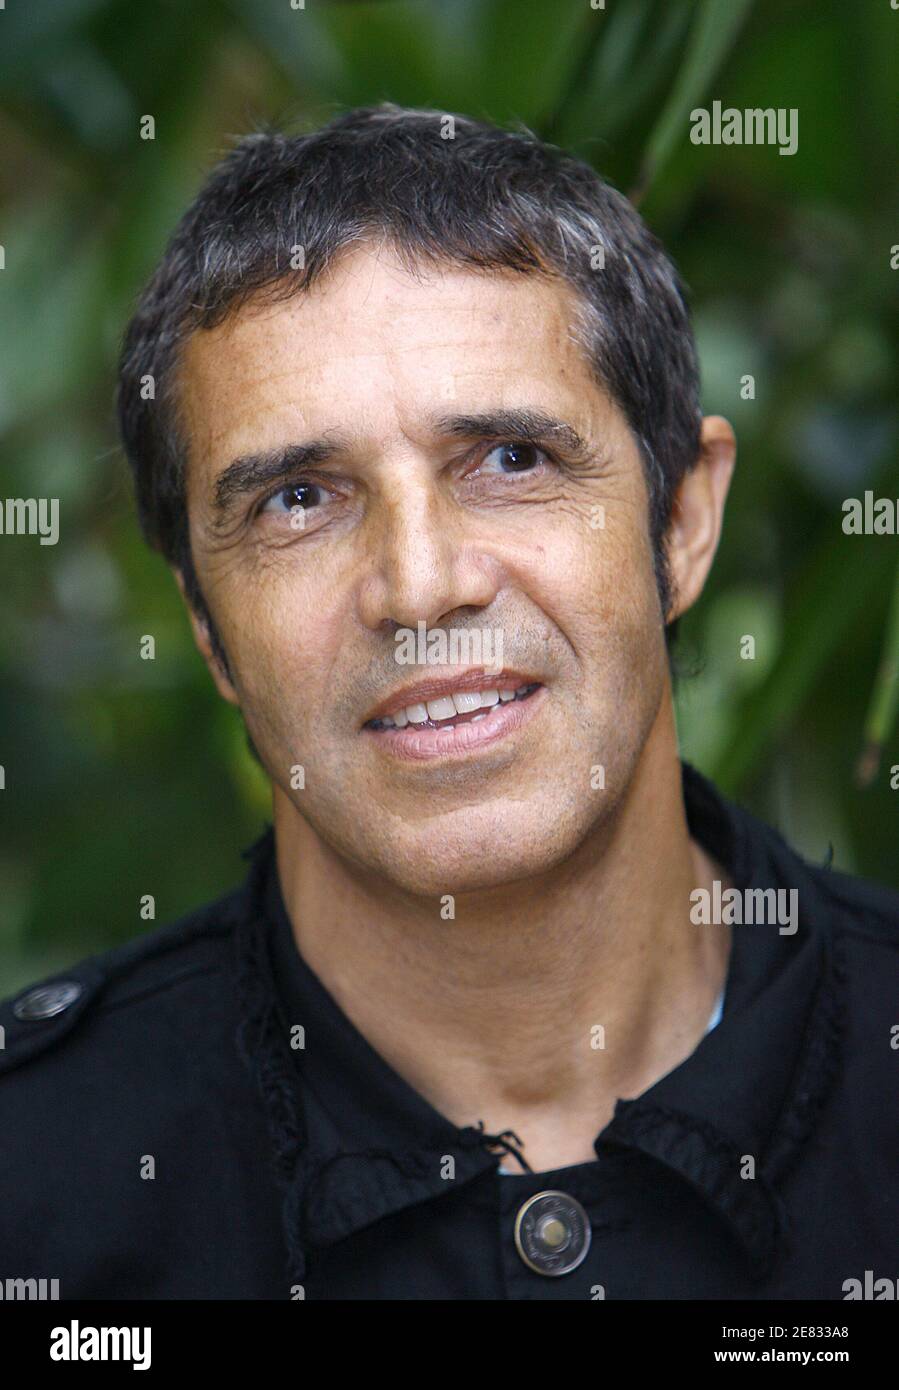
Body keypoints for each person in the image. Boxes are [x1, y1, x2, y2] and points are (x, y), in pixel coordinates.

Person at [1, 104, 895, 1301]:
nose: (419, 584)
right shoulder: (36, 1183)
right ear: (209, 627)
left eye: (510, 460)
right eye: (299, 500)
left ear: (680, 521)